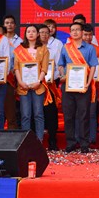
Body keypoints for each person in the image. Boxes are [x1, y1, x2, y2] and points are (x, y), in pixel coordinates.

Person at [57, 22, 99, 153]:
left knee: (84, 115)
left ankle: (84, 143)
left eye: (77, 30)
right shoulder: (66, 47)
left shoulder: (90, 48)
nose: (75, 32)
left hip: (83, 86)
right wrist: (63, 74)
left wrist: (88, 82)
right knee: (68, 115)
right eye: (72, 30)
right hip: (68, 86)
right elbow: (60, 64)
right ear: (70, 33)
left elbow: (93, 66)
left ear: (81, 32)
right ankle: (70, 142)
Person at [14, 24, 49, 142]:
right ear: (25, 34)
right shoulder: (19, 49)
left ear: (37, 34)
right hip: (23, 86)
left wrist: (39, 81)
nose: (31, 33)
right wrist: (20, 82)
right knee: (25, 115)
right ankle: (26, 141)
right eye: (28, 31)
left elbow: (44, 68)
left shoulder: (43, 49)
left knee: (38, 114)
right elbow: (16, 68)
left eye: (33, 31)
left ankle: (39, 140)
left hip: (38, 86)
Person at [40, 21, 63, 150]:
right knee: (37, 113)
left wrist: (59, 76)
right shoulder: (33, 47)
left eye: (46, 32)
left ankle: (52, 140)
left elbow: (59, 63)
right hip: (36, 84)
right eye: (41, 32)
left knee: (51, 113)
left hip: (51, 83)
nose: (44, 35)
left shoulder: (57, 44)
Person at [83, 23, 99, 146]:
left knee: (91, 112)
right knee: (80, 113)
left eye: (90, 35)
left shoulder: (97, 49)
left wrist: (95, 76)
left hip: (93, 86)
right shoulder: (74, 49)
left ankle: (92, 138)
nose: (88, 37)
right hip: (78, 85)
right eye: (85, 35)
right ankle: (80, 137)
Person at [3, 15, 22, 130]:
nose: (9, 25)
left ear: (15, 25)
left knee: (13, 106)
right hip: (0, 76)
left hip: (14, 76)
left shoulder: (20, 41)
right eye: (7, 23)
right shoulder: (0, 39)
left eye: (11, 23)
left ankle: (13, 129)